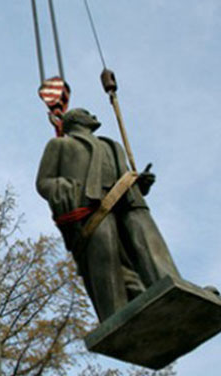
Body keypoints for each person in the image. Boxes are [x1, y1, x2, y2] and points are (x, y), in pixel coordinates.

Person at [36, 108, 180, 321]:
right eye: (87, 113)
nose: (93, 116)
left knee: (147, 244)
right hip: (90, 207)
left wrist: (139, 184)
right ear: (75, 119)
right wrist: (65, 189)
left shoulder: (113, 146)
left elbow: (123, 175)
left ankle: (171, 287)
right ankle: (117, 312)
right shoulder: (60, 145)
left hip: (126, 200)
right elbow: (43, 182)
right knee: (106, 258)